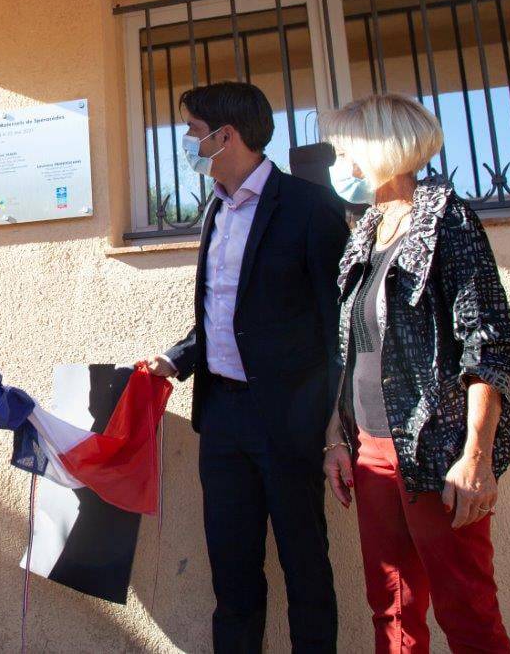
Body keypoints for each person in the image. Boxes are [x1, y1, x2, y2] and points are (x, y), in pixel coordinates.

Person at [320, 94, 510, 654]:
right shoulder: (365, 230)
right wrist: (334, 437)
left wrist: (476, 457)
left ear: (378, 148)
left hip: (436, 448)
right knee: (392, 610)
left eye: (343, 148)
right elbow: (350, 349)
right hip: (369, 448)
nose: (337, 161)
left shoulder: (448, 219)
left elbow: (489, 344)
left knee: (466, 609)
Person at [145, 81, 348, 653]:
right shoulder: (214, 207)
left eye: (191, 130)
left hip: (291, 421)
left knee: (306, 572)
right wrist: (178, 358)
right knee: (231, 575)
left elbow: (339, 327)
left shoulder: (311, 209)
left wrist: (334, 427)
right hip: (224, 419)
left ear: (224, 136)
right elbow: (221, 311)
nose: (186, 141)